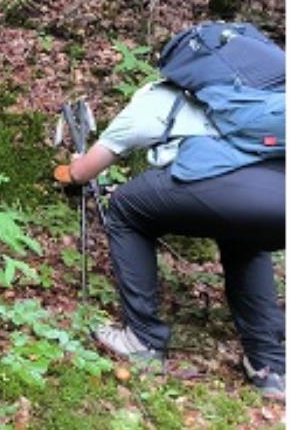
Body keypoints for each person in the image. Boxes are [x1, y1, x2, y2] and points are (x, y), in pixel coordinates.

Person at [54, 80, 286, 400]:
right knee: (247, 239)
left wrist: (73, 169)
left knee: (125, 208)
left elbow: (83, 172)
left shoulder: (156, 98)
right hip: (278, 197)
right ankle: (270, 366)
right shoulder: (246, 99)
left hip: (214, 185)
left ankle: (143, 339)